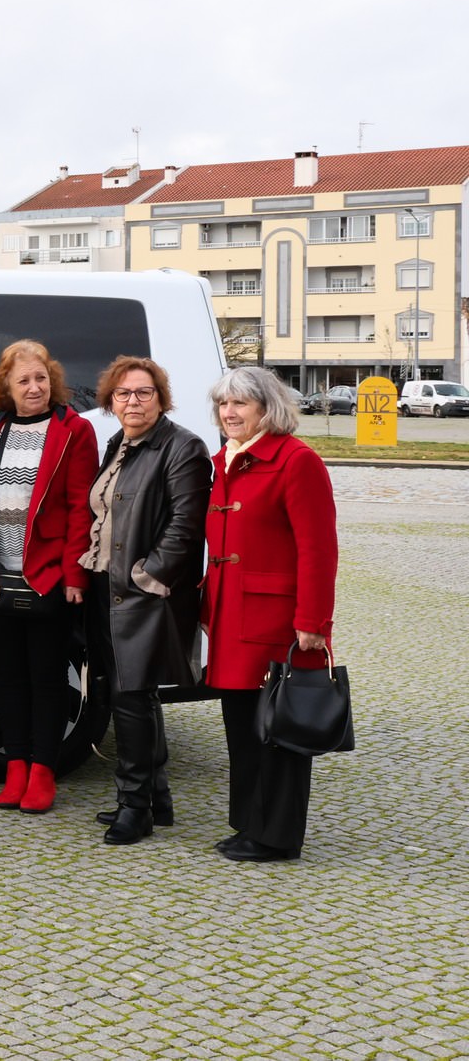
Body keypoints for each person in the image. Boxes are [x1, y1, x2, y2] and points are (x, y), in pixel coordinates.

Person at [202, 365, 337, 862]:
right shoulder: (227, 460)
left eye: (240, 403)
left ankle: (276, 837)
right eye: (223, 403)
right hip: (230, 617)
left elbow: (318, 550)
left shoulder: (296, 460)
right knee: (241, 726)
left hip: (277, 621)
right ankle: (248, 824)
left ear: (267, 407)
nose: (230, 412)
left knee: (278, 730)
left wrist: (313, 622)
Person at [81, 355, 209, 846]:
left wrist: (148, 574)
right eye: (123, 394)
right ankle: (155, 795)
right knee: (130, 693)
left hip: (140, 590)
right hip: (105, 585)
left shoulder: (182, 447)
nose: (132, 401)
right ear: (110, 401)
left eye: (143, 392)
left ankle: (136, 808)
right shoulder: (120, 443)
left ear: (162, 398)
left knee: (131, 697)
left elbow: (186, 524)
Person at [0, 340, 98, 816]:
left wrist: (74, 575)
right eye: (23, 380)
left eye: (41, 378)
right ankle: (16, 768)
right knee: (7, 676)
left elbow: (78, 508)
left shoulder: (73, 430)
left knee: (47, 677)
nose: (34, 387)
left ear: (53, 381)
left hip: (47, 577)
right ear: (5, 384)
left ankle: (43, 771)